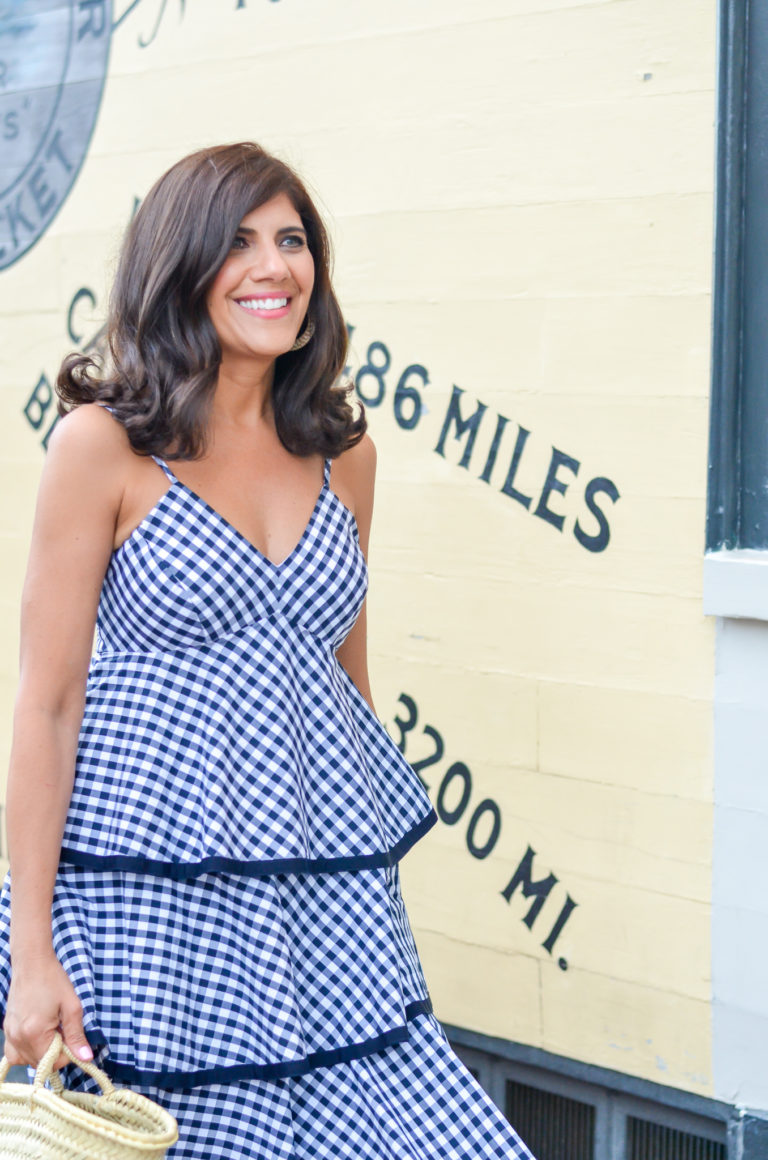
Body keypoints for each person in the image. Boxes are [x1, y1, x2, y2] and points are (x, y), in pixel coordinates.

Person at [0, 142, 535, 1159]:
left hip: (316, 908)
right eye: (240, 241)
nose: (275, 266)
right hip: (146, 905)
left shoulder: (347, 455)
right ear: (179, 265)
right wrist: (32, 951)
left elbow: (345, 684)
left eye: (293, 241)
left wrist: (356, 886)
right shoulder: (104, 445)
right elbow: (47, 704)